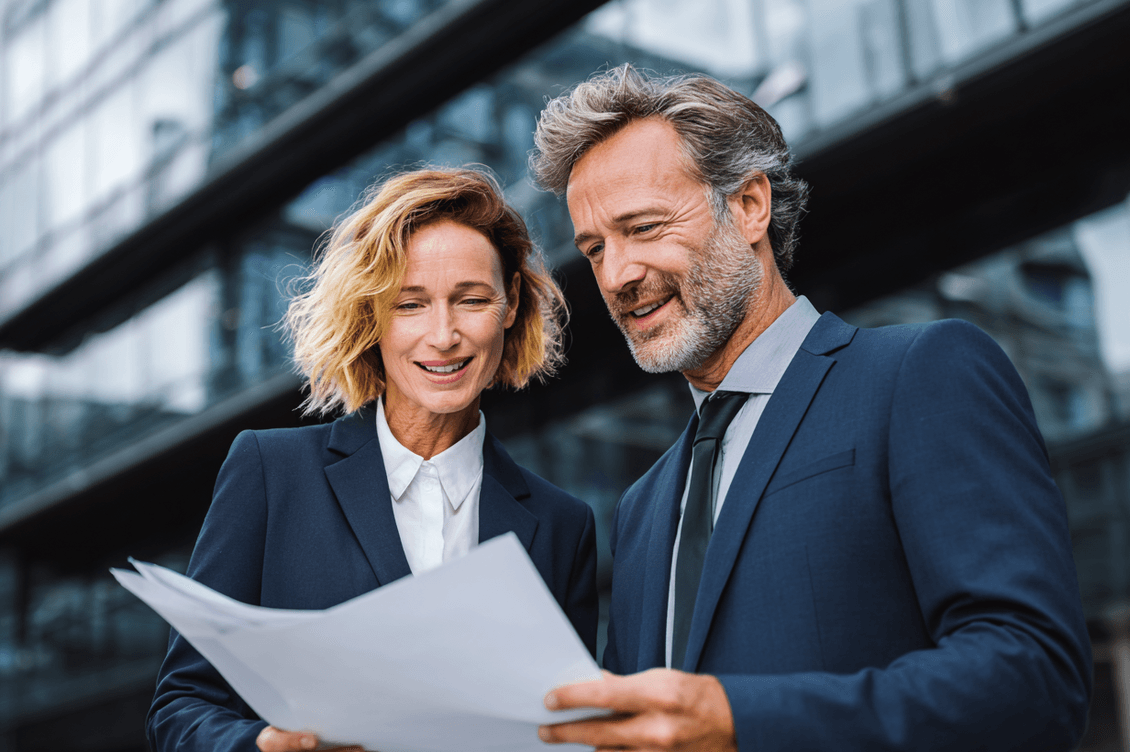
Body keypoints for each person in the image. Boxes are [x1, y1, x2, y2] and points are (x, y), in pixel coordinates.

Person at [530, 64, 1091, 751]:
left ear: (748, 207)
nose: (616, 275)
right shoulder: (642, 510)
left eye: (643, 227)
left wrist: (741, 721)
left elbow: (1034, 679)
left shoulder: (920, 376)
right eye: (595, 248)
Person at [146, 168, 598, 752]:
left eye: (472, 300)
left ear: (510, 304)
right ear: (372, 317)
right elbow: (181, 705)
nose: (444, 335)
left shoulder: (563, 527)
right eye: (410, 304)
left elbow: (571, 730)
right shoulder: (270, 472)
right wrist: (259, 747)